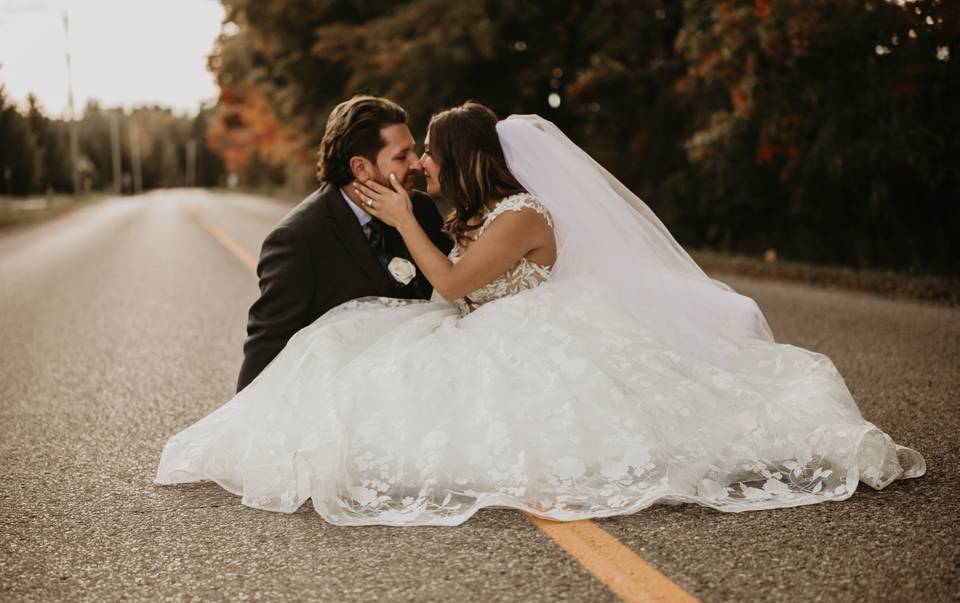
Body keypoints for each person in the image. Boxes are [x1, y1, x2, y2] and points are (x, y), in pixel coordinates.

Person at [156, 101, 925, 526]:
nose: (419, 163)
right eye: (408, 153)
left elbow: (452, 283)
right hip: (485, 328)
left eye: (426, 150)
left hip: (526, 331)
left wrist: (405, 220)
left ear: (457, 157)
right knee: (366, 362)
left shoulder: (517, 215)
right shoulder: (461, 212)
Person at [235, 95, 452, 392]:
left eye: (413, 152)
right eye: (402, 156)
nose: (416, 163)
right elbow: (267, 344)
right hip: (343, 398)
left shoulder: (421, 210)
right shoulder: (298, 238)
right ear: (360, 168)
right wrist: (246, 425)